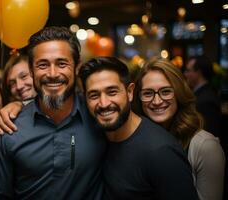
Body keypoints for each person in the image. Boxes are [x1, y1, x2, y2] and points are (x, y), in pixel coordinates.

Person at [0, 26, 106, 200]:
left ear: (77, 68)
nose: (52, 74)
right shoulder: (8, 128)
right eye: (43, 65)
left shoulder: (99, 116)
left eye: (62, 64)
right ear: (32, 72)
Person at [78, 56, 198, 199]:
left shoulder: (161, 151)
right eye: (94, 95)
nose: (103, 103)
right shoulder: (97, 139)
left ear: (129, 92)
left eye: (112, 92)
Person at [133, 59, 225, 200]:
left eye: (166, 91)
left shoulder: (205, 146)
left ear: (179, 93)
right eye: (147, 93)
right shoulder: (137, 140)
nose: (157, 101)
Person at [184, 56, 222, 138]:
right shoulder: (201, 93)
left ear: (198, 73)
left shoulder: (206, 100)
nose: (185, 74)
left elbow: (210, 135)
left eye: (188, 70)